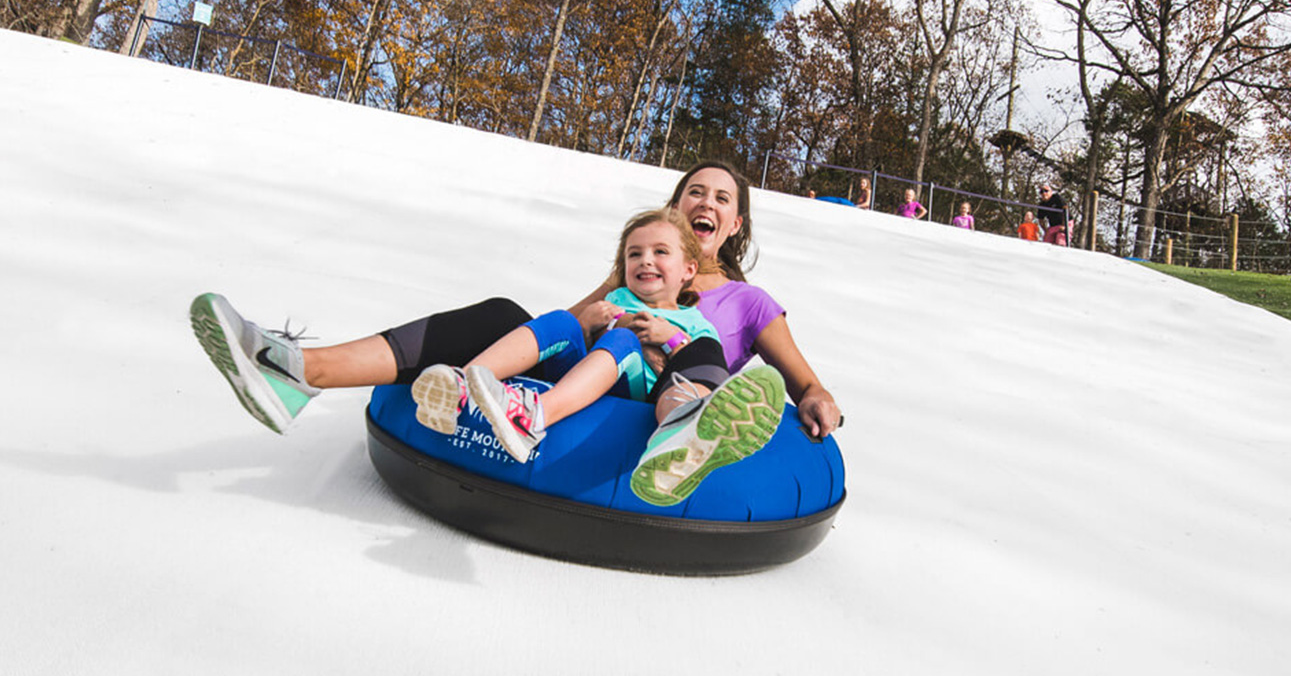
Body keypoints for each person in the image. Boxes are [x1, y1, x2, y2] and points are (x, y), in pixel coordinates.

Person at [191, 160, 842, 454]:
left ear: (734, 224)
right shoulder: (638, 271)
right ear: (674, 215)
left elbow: (801, 378)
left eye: (721, 198)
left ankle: (685, 429)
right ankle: (302, 370)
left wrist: (813, 395)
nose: (706, 201)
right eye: (693, 192)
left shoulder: (747, 301)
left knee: (682, 349)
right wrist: (608, 310)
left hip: (663, 393)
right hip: (599, 376)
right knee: (506, 311)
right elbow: (566, 326)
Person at [408, 209, 785, 505]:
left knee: (623, 340)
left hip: (633, 388)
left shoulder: (693, 321)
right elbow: (575, 337)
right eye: (634, 254)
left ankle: (535, 416)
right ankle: (466, 383)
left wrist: (669, 337)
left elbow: (699, 365)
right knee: (559, 319)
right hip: (582, 375)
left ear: (688, 270)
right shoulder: (614, 300)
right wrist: (585, 322)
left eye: (660, 252)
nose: (645, 261)